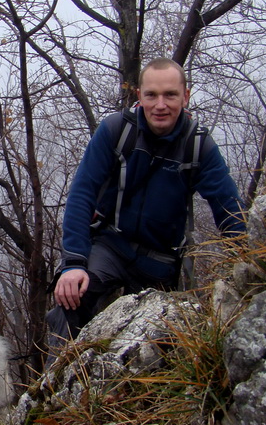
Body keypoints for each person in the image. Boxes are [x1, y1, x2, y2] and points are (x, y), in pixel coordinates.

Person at [46, 58, 245, 352]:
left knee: (155, 345)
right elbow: (82, 192)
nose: (160, 105)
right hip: (110, 244)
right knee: (72, 297)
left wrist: (247, 262)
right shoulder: (117, 130)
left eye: (170, 95)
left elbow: (227, 207)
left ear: (185, 96)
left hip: (160, 261)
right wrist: (73, 263)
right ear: (139, 95)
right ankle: (53, 394)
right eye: (151, 95)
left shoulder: (198, 146)